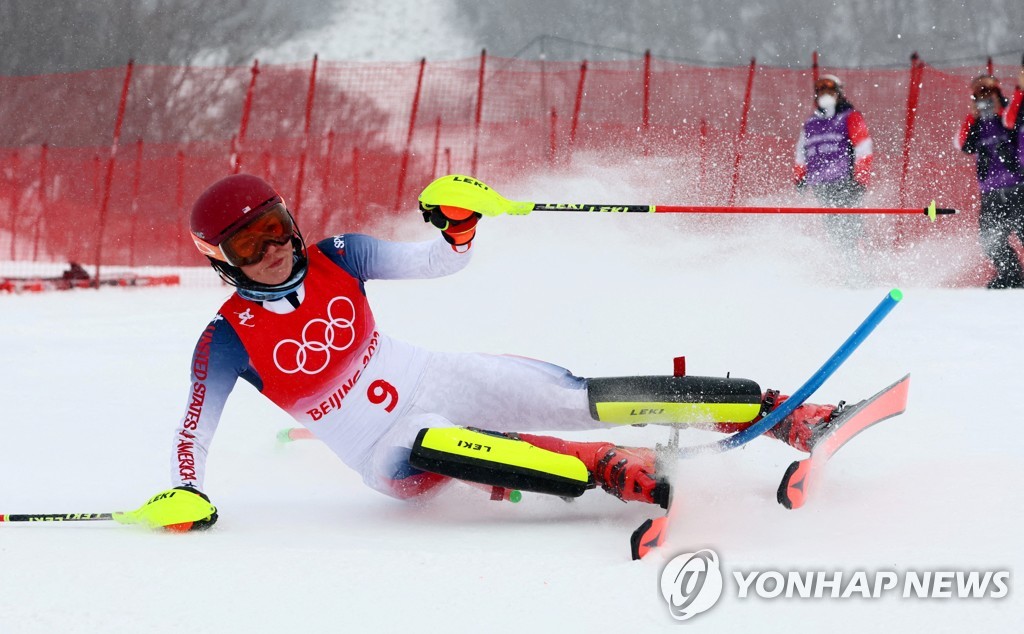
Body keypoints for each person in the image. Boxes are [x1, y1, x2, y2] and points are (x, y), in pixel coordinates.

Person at [133, 174, 842, 531]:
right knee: (441, 441)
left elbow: (441, 264)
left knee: (573, 392)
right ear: (222, 262)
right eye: (250, 245)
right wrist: (186, 489)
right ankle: (616, 469)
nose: (275, 249)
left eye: (276, 227)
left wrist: (458, 227)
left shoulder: (340, 254)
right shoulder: (224, 338)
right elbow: (193, 426)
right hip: (385, 449)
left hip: (426, 372)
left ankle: (779, 411)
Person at [955, 74, 1024, 289]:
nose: (985, 99)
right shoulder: (976, 123)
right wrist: (973, 116)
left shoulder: (1008, 114)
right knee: (990, 239)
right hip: (991, 191)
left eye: (988, 93)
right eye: (979, 95)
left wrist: (1000, 110)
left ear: (997, 93)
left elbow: (1014, 120)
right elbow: (962, 144)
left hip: (1017, 187)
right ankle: (1011, 275)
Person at [794, 74, 874, 249]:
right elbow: (801, 152)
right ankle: (845, 262)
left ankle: (860, 265)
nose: (825, 96)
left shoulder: (849, 116)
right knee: (833, 226)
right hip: (820, 183)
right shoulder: (811, 122)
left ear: (838, 93)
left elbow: (864, 148)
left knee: (850, 225)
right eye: (821, 92)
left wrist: (860, 179)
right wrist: (800, 178)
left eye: (830, 91)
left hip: (845, 181)